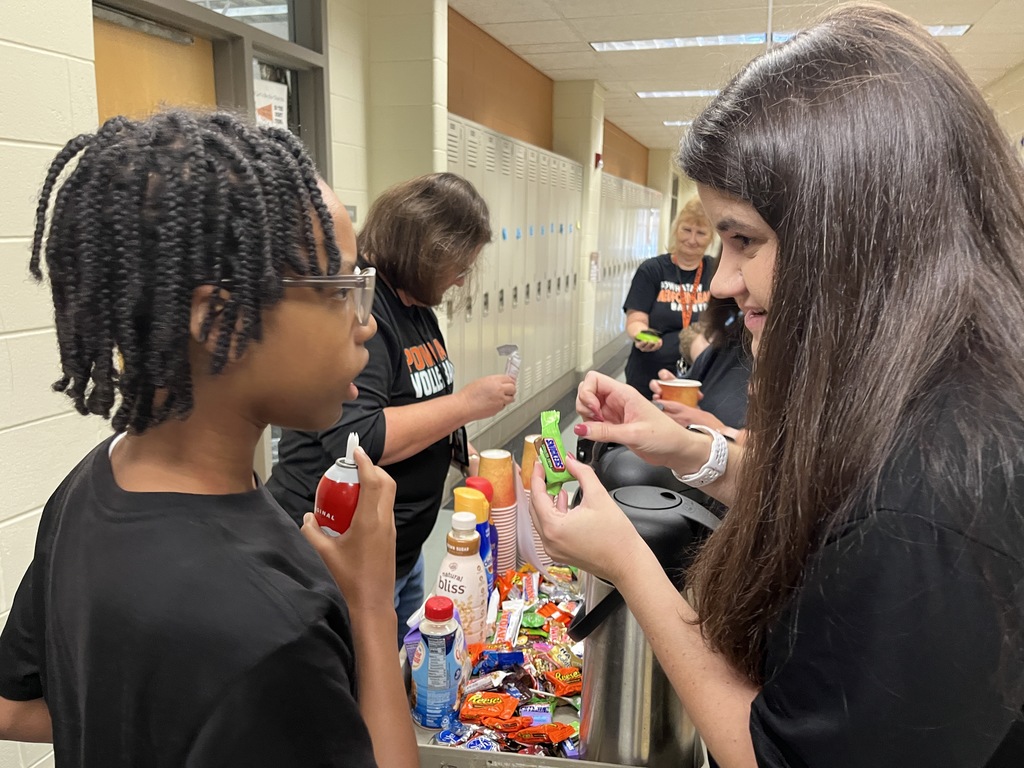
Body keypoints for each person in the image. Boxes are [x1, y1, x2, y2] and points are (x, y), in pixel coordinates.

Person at [530, 6, 1024, 767]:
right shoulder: (931, 389)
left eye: (746, 240)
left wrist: (626, 561)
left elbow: (774, 756)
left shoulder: (938, 499)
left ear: (853, 232)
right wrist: (693, 453)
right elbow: (838, 514)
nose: (723, 282)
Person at [0, 110, 418, 767]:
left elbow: (17, 705)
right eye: (341, 289)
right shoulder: (274, 627)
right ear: (221, 320)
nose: (364, 325)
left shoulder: (86, 488)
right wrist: (370, 607)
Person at [269, 172, 516, 641]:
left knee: (404, 671)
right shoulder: (369, 310)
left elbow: (427, 397)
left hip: (400, 549)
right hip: (344, 553)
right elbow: (358, 439)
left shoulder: (417, 307)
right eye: (458, 264)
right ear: (428, 250)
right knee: (366, 684)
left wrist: (464, 456)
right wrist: (466, 405)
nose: (462, 278)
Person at [622, 196, 714, 397]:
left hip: (697, 378)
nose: (692, 239)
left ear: (711, 237)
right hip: (649, 375)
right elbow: (636, 319)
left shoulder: (715, 272)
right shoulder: (652, 270)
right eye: (686, 230)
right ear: (676, 229)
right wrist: (643, 335)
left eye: (701, 233)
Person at [652, 295, 751, 443]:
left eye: (742, 271)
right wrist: (676, 404)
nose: (718, 287)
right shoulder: (725, 346)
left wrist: (716, 430)